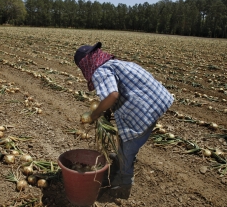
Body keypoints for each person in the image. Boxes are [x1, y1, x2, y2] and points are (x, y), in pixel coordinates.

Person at [74, 42, 174, 198]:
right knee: (124, 137)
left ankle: (124, 183)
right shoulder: (114, 64)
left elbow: (112, 95)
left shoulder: (100, 71)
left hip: (142, 110)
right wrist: (105, 111)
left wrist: (95, 115)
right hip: (155, 101)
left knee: (128, 148)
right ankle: (121, 157)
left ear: (85, 65)